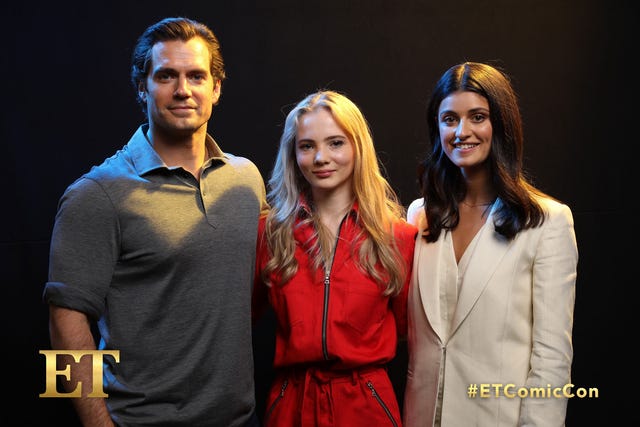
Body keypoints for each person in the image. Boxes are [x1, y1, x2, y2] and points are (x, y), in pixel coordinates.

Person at [43, 17, 267, 427]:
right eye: (166, 76)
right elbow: (62, 326)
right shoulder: (97, 193)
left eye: (196, 76)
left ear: (216, 88)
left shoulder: (246, 180)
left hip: (241, 419)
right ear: (141, 87)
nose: (183, 90)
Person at [402, 61, 578, 426]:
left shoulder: (547, 221)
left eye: (477, 117)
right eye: (449, 119)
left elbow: (552, 360)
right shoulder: (420, 214)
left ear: (502, 124)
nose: (461, 131)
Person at [252, 90, 417, 427]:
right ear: (293, 154)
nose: (320, 157)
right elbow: (237, 322)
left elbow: (409, 331)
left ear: (358, 147)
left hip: (366, 406)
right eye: (307, 146)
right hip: (290, 405)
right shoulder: (270, 233)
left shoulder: (397, 237)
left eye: (336, 143)